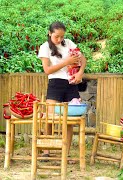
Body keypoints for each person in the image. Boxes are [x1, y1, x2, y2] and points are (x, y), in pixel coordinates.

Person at [38, 21, 87, 159]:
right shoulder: (45, 47)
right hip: (55, 83)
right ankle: (46, 151)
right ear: (50, 33)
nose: (59, 39)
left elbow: (83, 59)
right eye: (56, 36)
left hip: (71, 83)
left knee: (69, 120)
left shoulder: (69, 43)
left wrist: (80, 73)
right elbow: (47, 70)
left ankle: (66, 152)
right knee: (50, 117)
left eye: (62, 36)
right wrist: (66, 62)